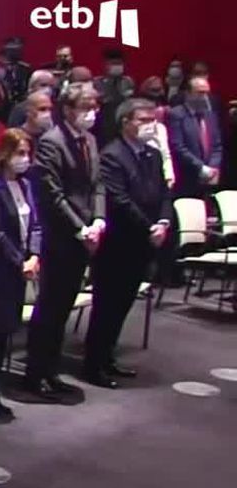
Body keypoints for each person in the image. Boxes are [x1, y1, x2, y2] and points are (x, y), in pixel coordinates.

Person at [82, 99, 171, 387]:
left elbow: (164, 193)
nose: (150, 125)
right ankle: (93, 365)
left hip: (143, 244)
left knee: (122, 306)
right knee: (107, 306)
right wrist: (149, 227)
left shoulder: (152, 155)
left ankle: (108, 358)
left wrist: (164, 221)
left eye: (152, 120)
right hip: (118, 245)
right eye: (143, 120)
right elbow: (119, 200)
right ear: (125, 123)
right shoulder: (112, 155)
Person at [26, 83, 105, 399]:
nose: (91, 113)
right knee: (49, 309)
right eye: (85, 106)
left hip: (85, 234)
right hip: (61, 237)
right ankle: (36, 374)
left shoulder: (90, 140)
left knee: (64, 310)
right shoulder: (51, 143)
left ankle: (51, 370)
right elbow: (53, 194)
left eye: (94, 106)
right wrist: (79, 229)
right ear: (69, 109)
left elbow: (97, 185)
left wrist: (98, 220)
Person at [0, 129, 42, 416]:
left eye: (27, 153)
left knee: (6, 332)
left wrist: (35, 255)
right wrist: (20, 262)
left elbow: (36, 224)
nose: (24, 159)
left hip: (22, 268)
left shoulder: (25, 185)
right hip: (0, 270)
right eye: (19, 153)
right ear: (4, 154)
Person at [166, 76, 223, 198]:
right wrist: (201, 167)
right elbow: (177, 146)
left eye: (207, 93)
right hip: (187, 175)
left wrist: (212, 168)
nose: (205, 97)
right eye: (200, 93)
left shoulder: (211, 115)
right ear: (188, 93)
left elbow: (217, 145)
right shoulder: (176, 114)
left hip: (209, 176)